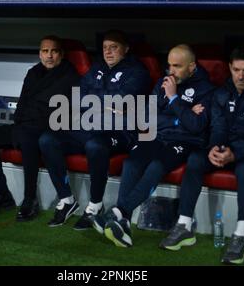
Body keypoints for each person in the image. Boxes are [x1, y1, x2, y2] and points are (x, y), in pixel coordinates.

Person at [160, 48, 244, 265]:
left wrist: (235, 154)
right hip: (228, 148)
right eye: (236, 70)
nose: (240, 76)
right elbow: (218, 126)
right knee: (196, 159)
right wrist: (215, 148)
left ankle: (240, 235)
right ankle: (184, 225)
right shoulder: (222, 92)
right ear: (230, 68)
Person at [92, 44, 215, 247]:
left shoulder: (206, 90)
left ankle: (119, 212)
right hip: (157, 136)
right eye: (169, 65)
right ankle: (124, 225)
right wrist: (180, 117)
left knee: (157, 166)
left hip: (185, 142)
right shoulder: (163, 83)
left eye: (177, 66)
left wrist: (174, 99)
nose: (171, 71)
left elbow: (195, 126)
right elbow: (149, 117)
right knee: (131, 163)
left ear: (192, 66)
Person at [38, 30, 151, 230]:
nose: (108, 52)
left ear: (125, 49)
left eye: (114, 47)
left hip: (122, 131)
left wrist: (96, 100)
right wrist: (104, 102)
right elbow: (78, 97)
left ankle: (95, 205)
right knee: (48, 139)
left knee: (95, 145)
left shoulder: (137, 71)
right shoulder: (97, 68)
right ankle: (66, 199)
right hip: (90, 125)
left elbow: (122, 102)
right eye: (105, 48)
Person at [0, 36, 80, 222]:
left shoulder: (69, 76)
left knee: (28, 138)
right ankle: (2, 194)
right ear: (40, 53)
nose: (49, 56)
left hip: (49, 129)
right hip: (23, 126)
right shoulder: (33, 72)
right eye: (45, 51)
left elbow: (53, 110)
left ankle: (30, 199)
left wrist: (25, 124)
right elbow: (23, 102)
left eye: (54, 51)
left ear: (61, 54)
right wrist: (19, 124)